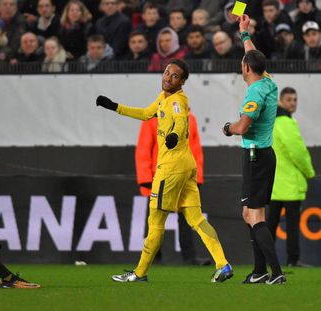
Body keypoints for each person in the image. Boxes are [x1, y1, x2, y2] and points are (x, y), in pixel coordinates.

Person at [96, 58, 233, 283]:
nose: (168, 78)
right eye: (167, 73)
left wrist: (173, 136)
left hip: (170, 169)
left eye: (174, 76)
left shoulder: (177, 101)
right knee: (197, 219)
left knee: (156, 223)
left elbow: (179, 121)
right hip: (186, 166)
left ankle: (139, 273)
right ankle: (223, 264)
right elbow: (146, 113)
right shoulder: (164, 97)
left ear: (183, 81)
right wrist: (115, 107)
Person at [222, 14, 285, 285]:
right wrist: (244, 33)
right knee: (251, 213)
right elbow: (253, 57)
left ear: (246, 69)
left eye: (244, 63)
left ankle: (276, 272)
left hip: (255, 156)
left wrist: (227, 127)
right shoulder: (268, 82)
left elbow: (244, 126)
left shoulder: (254, 94)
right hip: (264, 155)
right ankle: (260, 272)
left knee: (253, 214)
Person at [135, 112, 211, 266]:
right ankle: (153, 257)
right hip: (161, 176)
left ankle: (189, 257)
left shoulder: (190, 118)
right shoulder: (153, 118)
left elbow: (195, 150)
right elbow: (144, 149)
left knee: (186, 218)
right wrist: (146, 179)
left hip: (184, 176)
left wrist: (198, 176)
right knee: (155, 219)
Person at [267, 87, 315, 267]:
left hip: (273, 184)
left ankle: (265, 260)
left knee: (270, 226)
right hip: (290, 185)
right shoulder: (286, 123)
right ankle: (292, 260)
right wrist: (309, 172)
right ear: (281, 101)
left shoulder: (271, 122)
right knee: (293, 226)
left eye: (295, 100)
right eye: (289, 100)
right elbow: (298, 153)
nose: (292, 103)